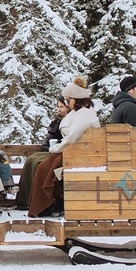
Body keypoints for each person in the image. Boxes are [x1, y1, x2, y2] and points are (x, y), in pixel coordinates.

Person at [28, 76, 100, 217]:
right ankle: (44, 203)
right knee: (41, 165)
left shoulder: (84, 114)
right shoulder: (78, 113)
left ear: (76, 99)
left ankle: (47, 203)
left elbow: (72, 138)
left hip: (80, 154)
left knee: (44, 168)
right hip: (73, 152)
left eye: (68, 100)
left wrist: (54, 148)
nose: (67, 102)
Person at [14, 96, 70, 210]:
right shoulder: (57, 122)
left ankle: (41, 202)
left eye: (62, 107)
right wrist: (47, 146)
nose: (59, 109)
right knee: (31, 160)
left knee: (38, 164)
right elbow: (48, 138)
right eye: (58, 107)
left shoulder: (70, 121)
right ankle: (25, 200)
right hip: (51, 150)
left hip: (62, 152)